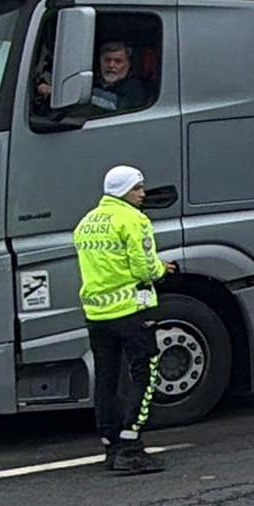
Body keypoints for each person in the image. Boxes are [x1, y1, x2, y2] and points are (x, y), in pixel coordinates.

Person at [74, 164, 170, 474]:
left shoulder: (86, 223)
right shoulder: (134, 220)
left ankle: (110, 444)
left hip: (96, 314)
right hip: (131, 310)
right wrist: (161, 269)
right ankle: (131, 445)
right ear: (122, 191)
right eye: (137, 188)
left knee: (106, 378)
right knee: (146, 372)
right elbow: (144, 268)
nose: (142, 194)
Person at [91, 41, 151, 113]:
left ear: (128, 64)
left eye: (118, 61)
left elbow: (124, 107)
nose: (111, 65)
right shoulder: (90, 82)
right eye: (107, 60)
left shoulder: (136, 88)